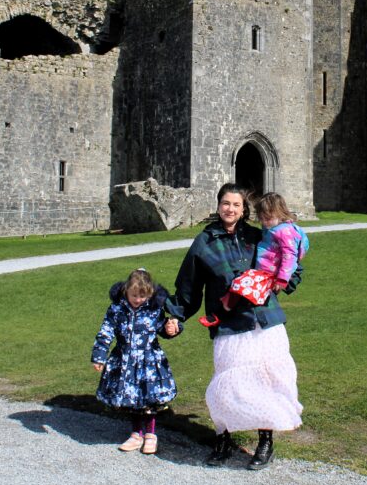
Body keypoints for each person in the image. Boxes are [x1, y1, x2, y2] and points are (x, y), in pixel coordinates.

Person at [166, 183, 304, 470]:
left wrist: (285, 281)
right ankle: (223, 438)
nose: (230, 209)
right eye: (226, 203)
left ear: (244, 210)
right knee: (226, 383)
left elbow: (290, 257)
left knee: (267, 381)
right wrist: (175, 316)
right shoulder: (204, 242)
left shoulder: (258, 236)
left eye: (236, 205)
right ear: (218, 206)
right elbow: (189, 286)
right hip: (228, 324)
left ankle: (265, 443)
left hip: (263, 319)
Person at [91, 268, 181, 455]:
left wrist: (173, 328)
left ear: (149, 294)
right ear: (126, 291)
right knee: (131, 398)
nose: (138, 299)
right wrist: (99, 356)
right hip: (124, 360)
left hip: (149, 361)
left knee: (149, 398)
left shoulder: (154, 309)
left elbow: (163, 330)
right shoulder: (117, 309)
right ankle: (136, 434)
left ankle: (151, 435)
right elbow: (106, 332)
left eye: (142, 296)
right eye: (134, 295)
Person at [202, 192, 309, 325]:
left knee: (242, 285)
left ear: (280, 214)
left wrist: (282, 279)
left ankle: (220, 315)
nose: (264, 222)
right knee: (240, 286)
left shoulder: (285, 231)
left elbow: (289, 256)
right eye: (262, 218)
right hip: (263, 271)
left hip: (271, 274)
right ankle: (221, 314)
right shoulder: (272, 228)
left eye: (268, 218)